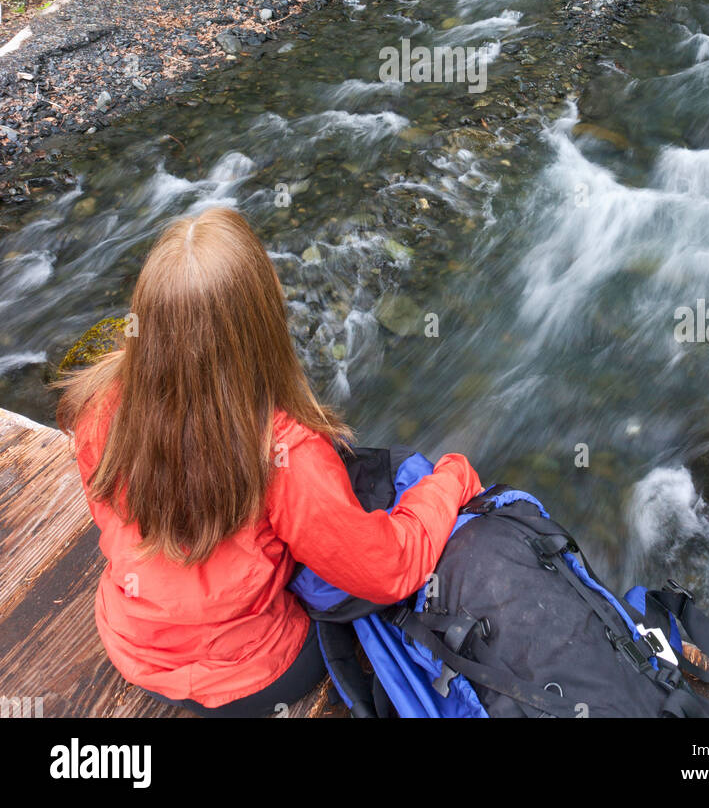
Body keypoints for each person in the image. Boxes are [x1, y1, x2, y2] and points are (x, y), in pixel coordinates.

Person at [56, 206, 481, 718]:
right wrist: (452, 477)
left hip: (131, 643)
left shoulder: (98, 401)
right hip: (247, 675)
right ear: (261, 323)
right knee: (350, 611)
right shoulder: (285, 452)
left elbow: (109, 511)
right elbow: (389, 571)